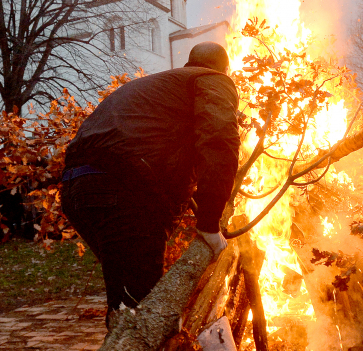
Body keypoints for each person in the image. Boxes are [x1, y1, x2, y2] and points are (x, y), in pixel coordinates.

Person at [61, 42, 239, 324]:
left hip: (76, 190)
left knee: (126, 304)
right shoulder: (212, 79)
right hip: (124, 190)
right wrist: (209, 222)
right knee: (145, 312)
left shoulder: (162, 87)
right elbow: (219, 141)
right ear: (224, 69)